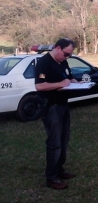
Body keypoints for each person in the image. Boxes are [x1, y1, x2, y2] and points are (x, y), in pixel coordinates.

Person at [35, 38, 79, 190]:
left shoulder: (63, 62)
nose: (67, 57)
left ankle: (59, 170)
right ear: (58, 48)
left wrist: (76, 83)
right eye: (66, 54)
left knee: (64, 140)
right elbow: (40, 86)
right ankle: (51, 177)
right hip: (51, 107)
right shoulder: (43, 63)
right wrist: (60, 84)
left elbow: (69, 77)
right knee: (55, 143)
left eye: (70, 55)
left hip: (63, 105)